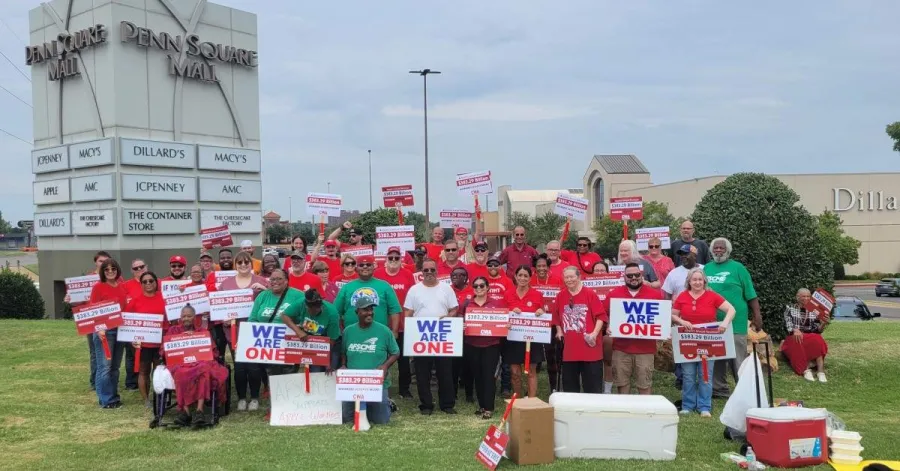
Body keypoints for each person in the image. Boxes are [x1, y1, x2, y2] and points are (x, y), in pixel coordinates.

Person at [671, 268, 736, 416]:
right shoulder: (682, 296)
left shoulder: (712, 295)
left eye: (700, 279)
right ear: (689, 281)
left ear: (704, 281)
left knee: (705, 373)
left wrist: (724, 323)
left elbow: (731, 310)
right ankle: (688, 405)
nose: (697, 282)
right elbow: (673, 315)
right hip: (688, 340)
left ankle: (704, 406)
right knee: (688, 374)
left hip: (708, 341)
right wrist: (682, 321)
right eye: (694, 280)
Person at [705, 237, 762, 398]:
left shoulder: (738, 268)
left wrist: (757, 315)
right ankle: (719, 389)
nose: (718, 250)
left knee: (738, 357)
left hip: (736, 321)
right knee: (716, 356)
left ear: (728, 251)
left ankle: (743, 390)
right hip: (713, 322)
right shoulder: (706, 268)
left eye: (721, 248)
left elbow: (751, 294)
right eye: (715, 248)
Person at [404, 259, 459, 415]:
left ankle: (447, 404)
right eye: (426, 270)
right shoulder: (414, 290)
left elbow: (454, 309)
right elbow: (408, 312)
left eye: (432, 270)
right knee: (422, 373)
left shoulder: (446, 289)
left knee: (445, 371)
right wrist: (410, 331)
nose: (429, 273)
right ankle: (426, 404)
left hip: (442, 336)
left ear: (437, 271)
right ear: (421, 272)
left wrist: (449, 316)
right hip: (422, 336)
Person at [340, 294, 400, 430]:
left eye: (371, 309)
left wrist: (385, 366)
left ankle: (387, 403)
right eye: (365, 310)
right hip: (353, 383)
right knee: (347, 418)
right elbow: (343, 351)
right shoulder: (348, 331)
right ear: (357, 312)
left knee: (381, 420)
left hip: (376, 383)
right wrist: (343, 364)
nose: (369, 313)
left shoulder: (384, 331)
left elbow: (395, 352)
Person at [164, 304, 229, 429]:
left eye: (189, 316)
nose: (186, 319)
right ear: (180, 317)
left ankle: (199, 411)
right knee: (180, 373)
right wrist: (182, 338)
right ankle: (186, 412)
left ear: (194, 317)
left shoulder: (202, 332)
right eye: (184, 316)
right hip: (180, 363)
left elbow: (212, 352)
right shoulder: (173, 331)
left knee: (204, 369)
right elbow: (165, 350)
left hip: (199, 363)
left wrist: (194, 338)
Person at [219, 252, 269, 411]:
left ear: (251, 264)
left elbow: (273, 299)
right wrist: (224, 319)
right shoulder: (226, 284)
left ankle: (254, 397)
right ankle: (241, 398)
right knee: (239, 366)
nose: (243, 265)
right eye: (239, 262)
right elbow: (219, 306)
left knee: (254, 366)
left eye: (246, 262)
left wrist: (264, 289)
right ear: (235, 265)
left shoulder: (261, 281)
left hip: (255, 330)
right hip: (234, 331)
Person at [604, 263, 663, 395]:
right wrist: (608, 325)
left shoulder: (654, 294)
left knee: (644, 384)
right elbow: (603, 314)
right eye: (630, 276)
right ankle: (624, 407)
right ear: (624, 277)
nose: (634, 278)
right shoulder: (614, 294)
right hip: (621, 348)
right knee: (622, 384)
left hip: (645, 349)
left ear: (641, 275)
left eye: (636, 275)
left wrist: (662, 330)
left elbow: (662, 317)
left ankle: (644, 407)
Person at [553, 266, 607, 394]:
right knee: (570, 387)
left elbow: (601, 317)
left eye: (572, 277)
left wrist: (594, 333)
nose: (569, 280)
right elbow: (556, 317)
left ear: (579, 277)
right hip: (570, 350)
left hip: (590, 349)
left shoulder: (590, 294)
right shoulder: (561, 295)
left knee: (592, 388)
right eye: (566, 277)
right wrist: (559, 331)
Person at [374, 247, 417, 398]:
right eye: (390, 257)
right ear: (385, 259)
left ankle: (404, 389)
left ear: (401, 260)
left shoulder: (407, 274)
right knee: (379, 356)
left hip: (403, 324)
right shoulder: (377, 274)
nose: (393, 260)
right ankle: (378, 385)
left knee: (403, 359)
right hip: (381, 324)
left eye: (396, 258)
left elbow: (413, 297)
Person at [248, 268, 305, 380]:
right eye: (272, 279)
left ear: (286, 281)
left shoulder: (298, 295)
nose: (275, 282)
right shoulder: (263, 296)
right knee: (271, 375)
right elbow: (252, 319)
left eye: (279, 279)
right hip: (267, 343)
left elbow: (305, 316)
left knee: (288, 376)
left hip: (289, 343)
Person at [462, 276, 505, 419]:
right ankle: (481, 405)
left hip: (491, 345)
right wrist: (462, 325)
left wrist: (506, 324)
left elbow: (503, 321)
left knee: (488, 376)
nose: (479, 288)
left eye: (481, 286)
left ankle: (489, 408)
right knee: (478, 376)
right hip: (472, 344)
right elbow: (461, 319)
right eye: (476, 286)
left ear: (487, 287)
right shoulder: (468, 304)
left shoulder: (496, 304)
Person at [89, 258, 129, 408]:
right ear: (102, 271)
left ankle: (113, 396)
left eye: (113, 269)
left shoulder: (122, 286)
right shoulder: (98, 287)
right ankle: (106, 400)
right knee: (104, 367)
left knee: (115, 367)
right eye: (107, 269)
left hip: (120, 330)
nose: (110, 271)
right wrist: (99, 328)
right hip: (104, 331)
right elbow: (93, 310)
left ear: (117, 270)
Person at [662, 244, 704, 388]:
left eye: (687, 254)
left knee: (702, 349)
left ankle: (702, 378)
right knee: (682, 349)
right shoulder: (674, 273)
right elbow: (667, 296)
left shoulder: (705, 270)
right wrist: (668, 316)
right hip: (681, 318)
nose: (683, 257)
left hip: (703, 318)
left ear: (695, 254)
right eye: (681, 254)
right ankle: (681, 379)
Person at [125, 271, 166, 409]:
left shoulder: (164, 298)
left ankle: (159, 397)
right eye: (145, 281)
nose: (148, 283)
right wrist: (131, 339)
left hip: (160, 342)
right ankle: (146, 399)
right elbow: (126, 322)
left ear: (156, 282)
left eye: (151, 281)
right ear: (141, 284)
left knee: (159, 371)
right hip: (142, 344)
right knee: (144, 371)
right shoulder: (135, 301)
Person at [504, 266, 546, 398]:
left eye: (525, 276)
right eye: (520, 275)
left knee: (531, 371)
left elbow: (544, 314)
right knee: (515, 372)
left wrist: (541, 312)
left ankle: (531, 401)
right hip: (513, 338)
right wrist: (509, 315)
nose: (522, 278)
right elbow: (502, 315)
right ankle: (518, 400)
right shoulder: (508, 294)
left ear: (530, 278)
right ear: (515, 277)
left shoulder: (537, 295)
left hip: (532, 338)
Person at [334, 255, 402, 334]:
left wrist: (395, 332)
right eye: (361, 265)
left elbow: (395, 310)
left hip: (379, 334)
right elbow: (336, 311)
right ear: (356, 268)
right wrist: (341, 331)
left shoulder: (385, 286)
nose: (365, 267)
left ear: (373, 267)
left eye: (368, 264)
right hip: (352, 335)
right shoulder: (346, 287)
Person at [281, 288, 341, 372]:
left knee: (330, 370)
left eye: (317, 310)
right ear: (306, 307)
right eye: (312, 310)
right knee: (315, 371)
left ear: (321, 306)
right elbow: (284, 315)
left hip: (328, 341)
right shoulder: (301, 303)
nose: (315, 312)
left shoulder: (332, 313)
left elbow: (332, 340)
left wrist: (327, 360)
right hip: (310, 339)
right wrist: (298, 331)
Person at [781, 288, 830, 382]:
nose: (806, 298)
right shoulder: (790, 308)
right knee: (797, 339)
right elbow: (788, 324)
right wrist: (795, 330)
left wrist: (823, 323)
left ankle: (820, 371)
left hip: (808, 335)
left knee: (818, 338)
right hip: (793, 335)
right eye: (803, 296)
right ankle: (805, 370)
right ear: (797, 297)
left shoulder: (814, 310)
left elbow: (817, 330)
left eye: (808, 296)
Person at [532, 254, 563, 393]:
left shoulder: (557, 280)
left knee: (552, 356)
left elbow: (562, 299)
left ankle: (554, 387)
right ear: (535, 267)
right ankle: (531, 388)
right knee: (534, 358)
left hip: (552, 324)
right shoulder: (530, 280)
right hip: (535, 324)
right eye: (539, 266)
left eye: (544, 266)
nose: (541, 268)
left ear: (548, 267)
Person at [450, 267, 475, 403]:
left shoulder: (473, 291)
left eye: (460, 275)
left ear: (466, 278)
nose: (456, 277)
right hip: (452, 332)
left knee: (468, 364)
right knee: (453, 365)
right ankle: (452, 392)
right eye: (453, 275)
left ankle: (469, 394)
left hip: (468, 332)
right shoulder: (447, 290)